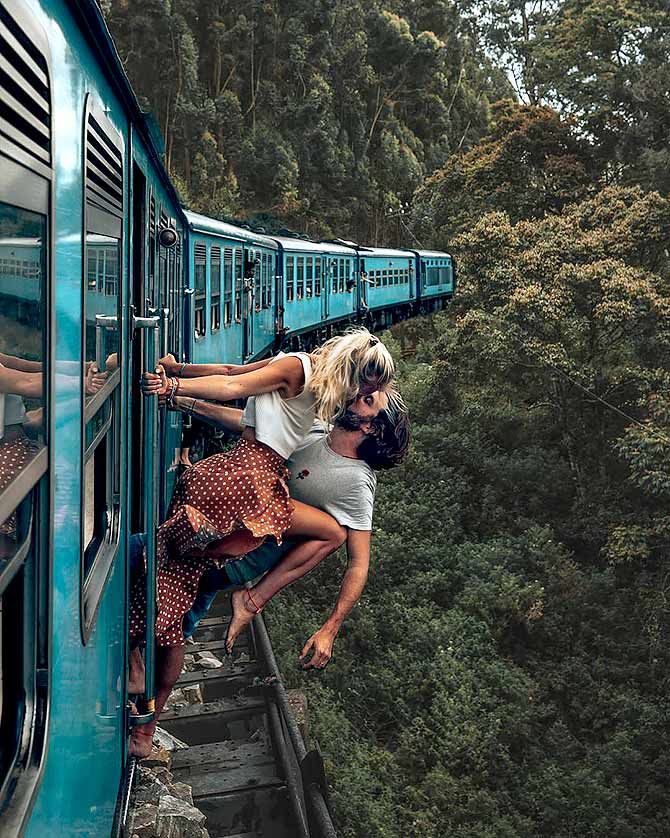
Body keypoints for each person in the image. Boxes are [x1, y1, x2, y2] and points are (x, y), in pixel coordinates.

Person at [129, 328, 396, 756]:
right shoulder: (318, 417)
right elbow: (236, 380)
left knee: (154, 562)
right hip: (247, 502)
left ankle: (140, 668)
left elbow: (235, 386)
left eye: (368, 399)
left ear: (372, 430)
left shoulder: (355, 479)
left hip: (244, 498)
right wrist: (180, 381)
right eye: (368, 392)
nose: (361, 398)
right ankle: (143, 719)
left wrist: (173, 386)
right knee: (172, 593)